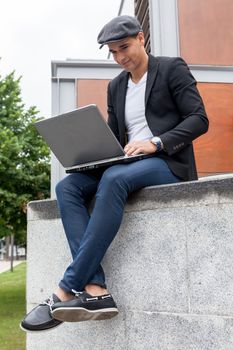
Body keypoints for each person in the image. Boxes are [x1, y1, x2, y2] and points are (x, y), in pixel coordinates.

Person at [21, 15, 209, 332]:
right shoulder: (116, 86)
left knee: (113, 179)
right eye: (113, 52)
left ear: (140, 38)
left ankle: (64, 290)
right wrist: (90, 155)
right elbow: (115, 136)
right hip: (127, 162)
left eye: (124, 47)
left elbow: (199, 119)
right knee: (67, 187)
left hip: (167, 162)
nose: (120, 57)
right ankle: (96, 290)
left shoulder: (171, 68)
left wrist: (155, 142)